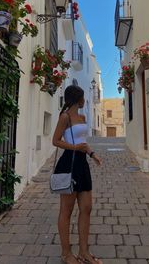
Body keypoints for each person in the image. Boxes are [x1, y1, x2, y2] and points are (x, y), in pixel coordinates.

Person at [52, 85, 103, 264]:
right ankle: (66, 254)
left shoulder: (82, 117)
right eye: (82, 97)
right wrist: (75, 148)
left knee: (87, 208)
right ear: (76, 99)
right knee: (66, 211)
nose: (84, 101)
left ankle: (84, 252)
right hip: (69, 163)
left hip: (82, 164)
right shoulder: (65, 117)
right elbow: (55, 140)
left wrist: (92, 154)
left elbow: (83, 142)